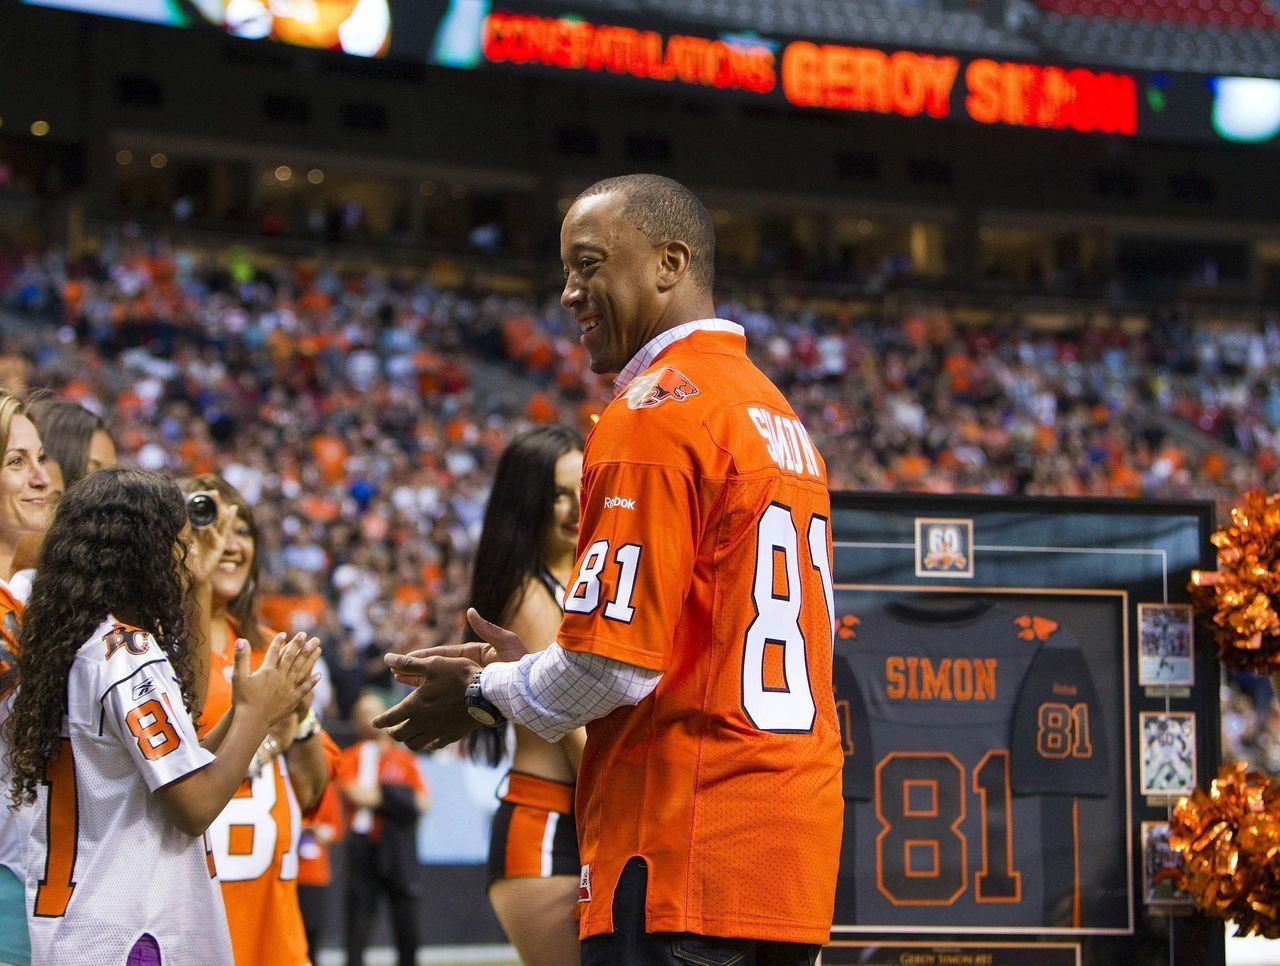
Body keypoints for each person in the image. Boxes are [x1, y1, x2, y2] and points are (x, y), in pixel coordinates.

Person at [376, 174, 845, 964]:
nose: (568, 292)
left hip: (680, 846)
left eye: (589, 263)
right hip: (784, 848)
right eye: (566, 269)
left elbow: (606, 669)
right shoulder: (777, 415)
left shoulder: (657, 410)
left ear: (670, 263)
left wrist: (483, 694)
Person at [4, 468, 320, 965]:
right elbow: (193, 807)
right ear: (144, 555)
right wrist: (258, 717)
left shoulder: (75, 646)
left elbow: (177, 769)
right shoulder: (127, 651)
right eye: (180, 544)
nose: (191, 560)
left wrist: (245, 710)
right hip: (132, 931)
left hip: (81, 925)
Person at [177, 473, 338, 966]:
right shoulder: (143, 645)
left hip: (273, 927)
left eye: (242, 528)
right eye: (209, 522)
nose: (228, 542)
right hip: (184, 918)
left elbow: (312, 793)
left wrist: (299, 722)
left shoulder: (276, 649)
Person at [461, 425, 584, 966]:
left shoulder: (585, 578)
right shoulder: (529, 596)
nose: (578, 507)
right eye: (560, 494)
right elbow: (569, 722)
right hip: (549, 827)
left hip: (579, 816)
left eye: (587, 488)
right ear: (528, 501)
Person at [0, 391, 54, 966]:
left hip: (48, 875)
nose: (42, 478)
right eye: (16, 462)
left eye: (40, 459)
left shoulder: (38, 597)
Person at [338, 691, 429, 966]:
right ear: (355, 722)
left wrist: (380, 794)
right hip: (364, 847)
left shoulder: (404, 759)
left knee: (406, 920)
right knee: (359, 921)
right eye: (364, 713)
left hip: (398, 846)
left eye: (376, 711)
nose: (372, 718)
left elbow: (424, 802)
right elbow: (355, 794)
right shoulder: (351, 757)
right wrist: (400, 798)